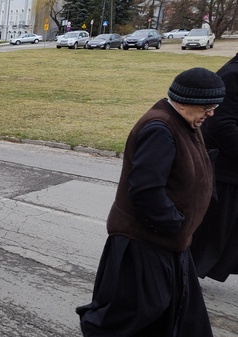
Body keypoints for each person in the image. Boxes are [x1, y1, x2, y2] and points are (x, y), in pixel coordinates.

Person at [76, 67, 224, 336]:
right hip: (145, 244)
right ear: (184, 100)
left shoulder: (186, 122)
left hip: (171, 243)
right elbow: (145, 191)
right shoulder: (160, 128)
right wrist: (175, 224)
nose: (211, 112)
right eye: (208, 105)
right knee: (129, 318)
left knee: (177, 318)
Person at [191, 55, 238, 282]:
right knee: (209, 234)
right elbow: (221, 125)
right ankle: (179, 280)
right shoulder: (233, 75)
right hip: (225, 172)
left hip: (229, 171)